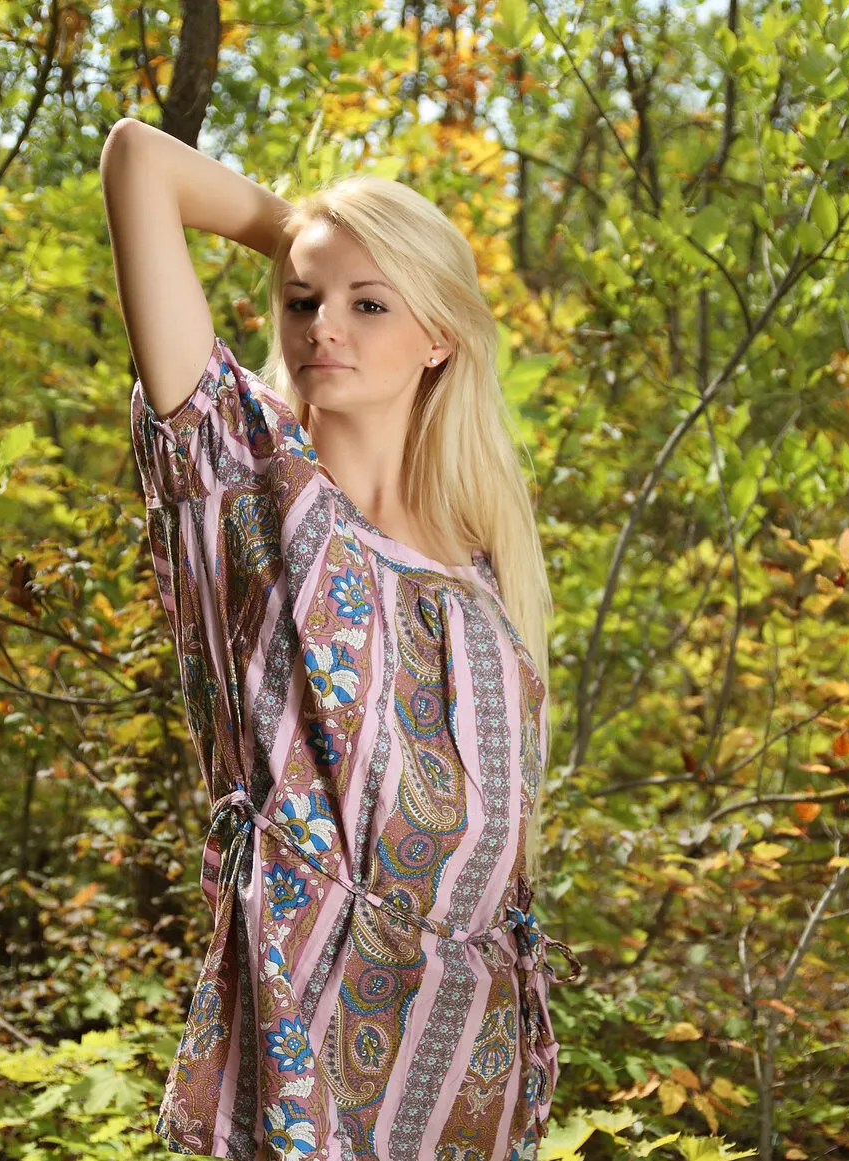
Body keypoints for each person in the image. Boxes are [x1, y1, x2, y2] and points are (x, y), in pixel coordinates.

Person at [99, 116, 581, 1161]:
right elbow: (140, 158)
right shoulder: (247, 481)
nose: (325, 326)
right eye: (302, 301)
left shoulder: (482, 554)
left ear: (438, 335)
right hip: (309, 1013)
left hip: (467, 1047)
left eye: (370, 304)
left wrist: (353, 250)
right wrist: (311, 231)